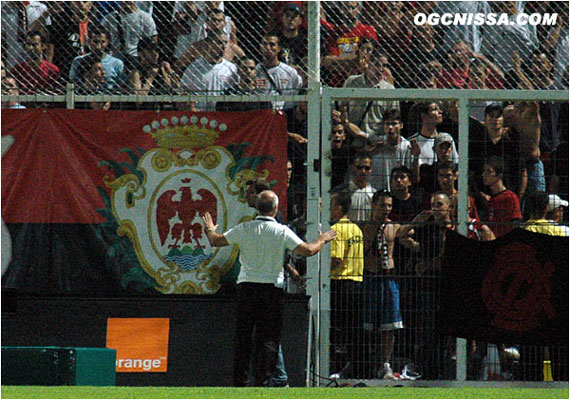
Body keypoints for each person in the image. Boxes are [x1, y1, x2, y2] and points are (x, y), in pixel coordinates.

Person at [201, 191, 336, 387]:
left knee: (243, 336)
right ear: (275, 209)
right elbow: (308, 250)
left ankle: (241, 380)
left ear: (257, 208)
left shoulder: (245, 228)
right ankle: (264, 380)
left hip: (247, 287)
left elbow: (216, 240)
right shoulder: (281, 231)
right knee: (269, 338)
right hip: (271, 289)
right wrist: (322, 239)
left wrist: (210, 229)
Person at [362, 191, 404, 380]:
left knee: (390, 324)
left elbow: (407, 234)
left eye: (388, 205)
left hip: (389, 278)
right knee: (369, 324)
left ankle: (386, 363)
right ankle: (368, 362)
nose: (385, 209)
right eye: (382, 205)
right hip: (371, 278)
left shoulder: (393, 226)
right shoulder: (364, 227)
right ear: (373, 205)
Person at [329, 191, 364, 378]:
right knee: (354, 329)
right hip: (357, 281)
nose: (329, 208)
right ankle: (354, 367)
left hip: (341, 283)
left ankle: (338, 367)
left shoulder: (337, 229)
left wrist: (316, 266)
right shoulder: (356, 229)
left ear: (339, 208)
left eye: (332, 204)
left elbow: (336, 259)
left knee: (338, 328)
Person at [340, 43, 400, 139]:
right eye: (377, 64)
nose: (380, 69)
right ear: (369, 63)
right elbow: (342, 107)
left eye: (384, 65)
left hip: (375, 141)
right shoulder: (352, 82)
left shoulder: (389, 89)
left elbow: (392, 119)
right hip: (351, 137)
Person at [321, 1, 378, 87]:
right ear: (341, 9)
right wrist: (354, 60)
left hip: (360, 81)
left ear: (358, 9)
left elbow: (365, 59)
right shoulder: (335, 33)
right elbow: (328, 62)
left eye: (353, 8)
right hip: (336, 82)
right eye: (346, 8)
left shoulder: (367, 30)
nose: (349, 11)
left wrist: (339, 61)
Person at [178, 32, 238, 112]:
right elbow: (184, 90)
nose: (223, 46)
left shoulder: (231, 68)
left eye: (225, 43)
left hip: (222, 115)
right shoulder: (194, 67)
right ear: (209, 44)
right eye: (219, 42)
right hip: (199, 114)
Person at [369, 109, 419, 191]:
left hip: (400, 195)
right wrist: (368, 153)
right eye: (387, 124)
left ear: (401, 125)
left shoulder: (408, 147)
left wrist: (416, 157)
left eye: (394, 124)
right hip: (378, 195)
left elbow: (415, 179)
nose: (390, 127)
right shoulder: (376, 145)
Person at [255, 33, 303, 114]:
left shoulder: (290, 72)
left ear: (279, 48)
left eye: (272, 44)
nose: (268, 48)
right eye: (265, 44)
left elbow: (295, 95)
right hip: (259, 114)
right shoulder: (255, 70)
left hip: (283, 114)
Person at [69, 25, 125, 92]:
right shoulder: (78, 60)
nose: (98, 46)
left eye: (102, 42)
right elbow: (73, 82)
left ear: (107, 42)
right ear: (89, 41)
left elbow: (121, 86)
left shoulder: (116, 63)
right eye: (95, 42)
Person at [46, 1, 94, 78]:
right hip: (65, 68)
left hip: (87, 71)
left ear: (91, 5)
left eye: (85, 2)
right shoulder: (62, 23)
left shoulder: (94, 25)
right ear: (71, 4)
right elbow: (51, 48)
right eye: (77, 2)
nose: (81, 4)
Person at [480, 156, 522, 238]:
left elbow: (516, 224)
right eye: (484, 171)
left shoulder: (510, 197)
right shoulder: (492, 199)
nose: (484, 174)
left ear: (499, 175)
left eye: (489, 171)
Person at [408, 102, 459, 168]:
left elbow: (456, 163)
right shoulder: (413, 142)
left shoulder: (447, 138)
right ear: (423, 116)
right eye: (435, 110)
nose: (440, 112)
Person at [10, 30, 60, 94]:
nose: (31, 48)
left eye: (35, 45)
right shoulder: (18, 69)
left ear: (43, 46)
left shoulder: (52, 70)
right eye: (28, 44)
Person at [332, 153, 376, 225]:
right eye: (359, 167)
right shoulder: (340, 193)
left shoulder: (375, 194)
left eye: (367, 168)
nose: (363, 171)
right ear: (353, 168)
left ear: (371, 169)